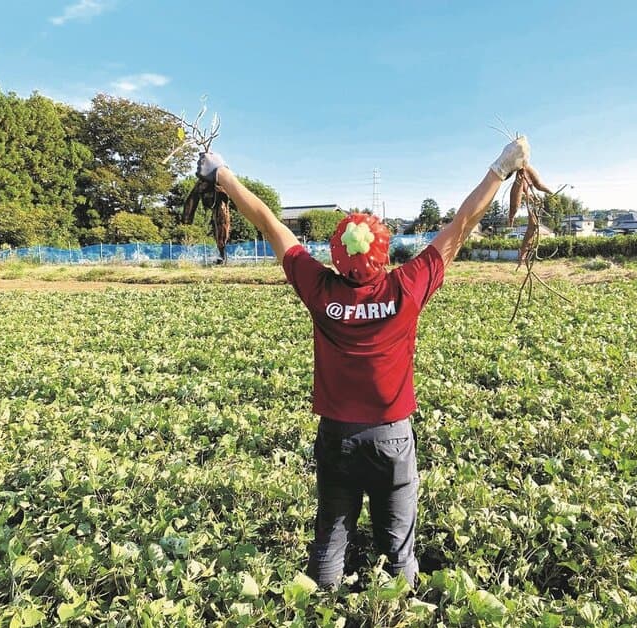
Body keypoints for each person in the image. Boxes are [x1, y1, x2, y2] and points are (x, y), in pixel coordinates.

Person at [196, 135, 532, 588]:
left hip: (336, 436)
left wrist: (223, 176)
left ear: (336, 255)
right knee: (397, 549)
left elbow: (270, 223)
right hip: (392, 437)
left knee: (331, 540)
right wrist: (501, 167)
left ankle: (317, 612)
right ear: (384, 254)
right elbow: (462, 224)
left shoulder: (320, 289)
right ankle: (398, 610)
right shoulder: (407, 287)